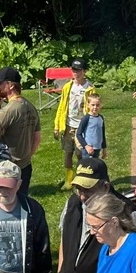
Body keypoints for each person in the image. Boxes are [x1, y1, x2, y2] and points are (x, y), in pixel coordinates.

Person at [0, 67, 41, 196]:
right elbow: (37, 138)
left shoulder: (8, 111)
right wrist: (25, 158)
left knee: (5, 206)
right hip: (25, 167)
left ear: (10, 85)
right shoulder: (30, 106)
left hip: (7, 170)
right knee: (21, 204)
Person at [54, 57, 93, 189]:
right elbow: (62, 106)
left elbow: (94, 107)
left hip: (81, 127)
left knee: (80, 153)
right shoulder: (67, 86)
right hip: (68, 125)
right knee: (67, 152)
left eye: (78, 70)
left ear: (85, 71)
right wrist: (57, 125)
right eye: (74, 70)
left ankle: (82, 177)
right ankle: (68, 180)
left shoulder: (89, 88)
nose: (75, 72)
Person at [75, 93, 107, 160]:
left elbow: (102, 134)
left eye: (97, 105)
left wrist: (104, 149)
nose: (95, 107)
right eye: (93, 105)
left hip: (97, 148)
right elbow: (78, 134)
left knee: (96, 168)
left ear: (100, 105)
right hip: (88, 150)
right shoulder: (86, 118)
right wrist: (86, 146)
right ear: (88, 105)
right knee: (88, 169)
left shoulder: (101, 118)